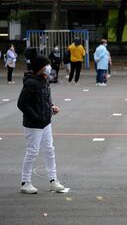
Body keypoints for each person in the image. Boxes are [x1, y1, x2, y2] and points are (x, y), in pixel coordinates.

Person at [17, 53, 66, 194]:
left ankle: (53, 180)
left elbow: (44, 99)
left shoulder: (44, 80)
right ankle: (25, 182)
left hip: (46, 122)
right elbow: (22, 104)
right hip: (33, 125)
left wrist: (51, 107)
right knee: (33, 151)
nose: (49, 67)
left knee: (49, 150)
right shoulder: (31, 83)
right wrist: (36, 117)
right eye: (47, 65)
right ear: (40, 67)